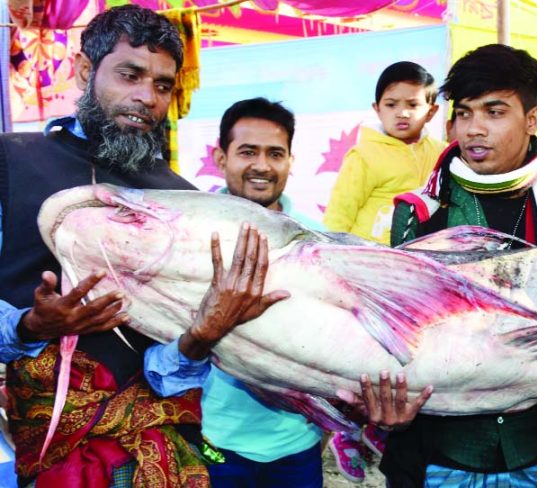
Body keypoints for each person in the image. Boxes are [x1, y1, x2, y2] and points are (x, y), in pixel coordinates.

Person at [0, 6, 285, 486]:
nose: (146, 97)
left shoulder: (183, 198)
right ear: (86, 70)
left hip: (161, 456)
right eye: (129, 75)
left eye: (162, 85)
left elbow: (166, 372)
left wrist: (201, 337)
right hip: (45, 459)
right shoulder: (12, 162)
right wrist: (30, 327)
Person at [343, 43, 537, 488]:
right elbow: (400, 331)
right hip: (441, 455)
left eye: (495, 113)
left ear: (532, 120)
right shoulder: (419, 213)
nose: (475, 129)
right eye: (465, 113)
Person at [203, 97, 324, 487]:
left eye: (275, 153)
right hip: (213, 439)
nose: (261, 166)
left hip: (297, 442)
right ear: (221, 159)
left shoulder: (314, 239)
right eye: (247, 152)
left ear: (291, 161)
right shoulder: (194, 231)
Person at [323, 61, 445, 245]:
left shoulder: (443, 153)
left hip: (425, 257)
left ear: (431, 111)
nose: (402, 113)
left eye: (413, 105)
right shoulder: (364, 155)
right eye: (391, 105)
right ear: (377, 109)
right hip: (370, 259)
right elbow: (339, 213)